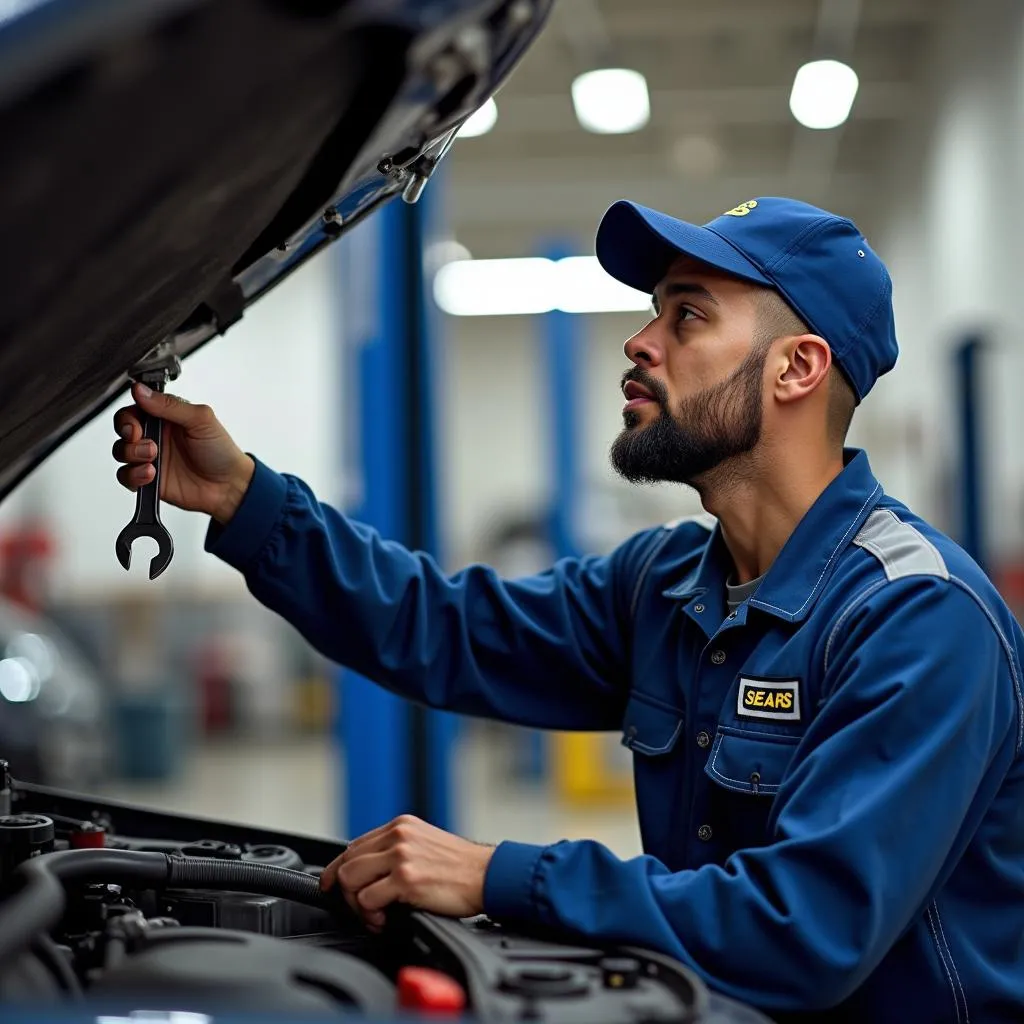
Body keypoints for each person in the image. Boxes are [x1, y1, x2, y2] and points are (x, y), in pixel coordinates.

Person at [112, 197, 1024, 1023]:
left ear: (797, 367)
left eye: (686, 315)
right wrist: (244, 498)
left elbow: (802, 930)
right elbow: (446, 628)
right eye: (652, 311)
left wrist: (493, 873)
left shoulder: (917, 620)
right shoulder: (665, 584)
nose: (640, 341)